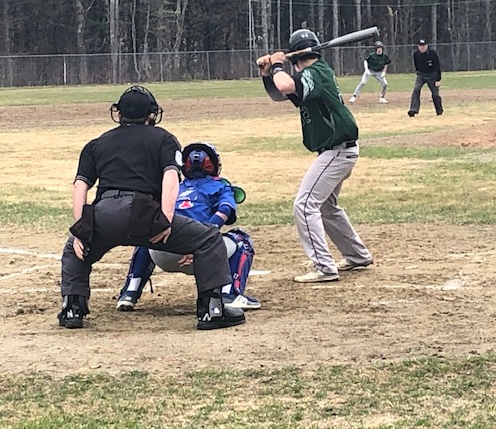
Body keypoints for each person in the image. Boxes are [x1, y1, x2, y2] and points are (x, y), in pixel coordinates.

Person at [57, 86, 245, 330]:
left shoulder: (96, 143)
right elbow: (170, 177)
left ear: (119, 113)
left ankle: (72, 307)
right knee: (208, 238)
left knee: (74, 250)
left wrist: (81, 229)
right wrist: (166, 218)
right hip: (143, 212)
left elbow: (80, 185)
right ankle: (212, 309)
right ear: (151, 115)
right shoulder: (163, 138)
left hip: (104, 212)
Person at [256, 28, 373, 283]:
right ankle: (357, 255)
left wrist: (277, 65)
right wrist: (268, 73)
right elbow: (281, 93)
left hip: (337, 150)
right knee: (327, 207)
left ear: (297, 59)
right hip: (338, 150)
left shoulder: (316, 73)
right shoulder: (312, 76)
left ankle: (324, 267)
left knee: (305, 204)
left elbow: (286, 82)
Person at [116, 141, 261, 311]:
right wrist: (202, 238)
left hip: (162, 254)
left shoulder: (174, 186)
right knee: (242, 240)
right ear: (213, 165)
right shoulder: (221, 186)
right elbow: (225, 211)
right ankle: (230, 295)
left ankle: (129, 293)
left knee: (148, 237)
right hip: (201, 254)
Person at [408, 38, 443, 117]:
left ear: (427, 46)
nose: (422, 47)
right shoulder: (416, 54)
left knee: (435, 94)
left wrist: (438, 79)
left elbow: (437, 66)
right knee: (416, 89)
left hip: (432, 75)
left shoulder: (432, 53)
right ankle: (413, 110)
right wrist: (418, 74)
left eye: (423, 46)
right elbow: (417, 66)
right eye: (420, 46)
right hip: (421, 75)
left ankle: (439, 111)